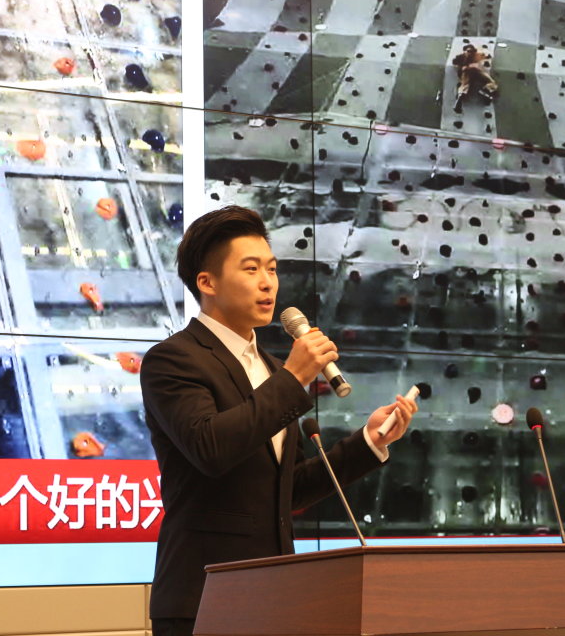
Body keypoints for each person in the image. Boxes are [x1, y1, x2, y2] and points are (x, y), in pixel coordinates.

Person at [140, 206, 419, 636]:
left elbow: (289, 489)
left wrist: (369, 441)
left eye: (271, 269)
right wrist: (294, 378)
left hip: (275, 594)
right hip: (203, 596)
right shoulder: (174, 359)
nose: (268, 282)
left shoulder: (271, 368)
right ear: (207, 282)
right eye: (251, 269)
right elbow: (210, 448)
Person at [451, 43, 499, 113]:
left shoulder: (474, 55)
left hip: (473, 71)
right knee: (465, 84)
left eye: (470, 51)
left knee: (465, 84)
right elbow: (487, 56)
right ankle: (483, 91)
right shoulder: (467, 56)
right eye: (467, 51)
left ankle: (484, 91)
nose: (468, 53)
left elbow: (487, 56)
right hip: (470, 71)